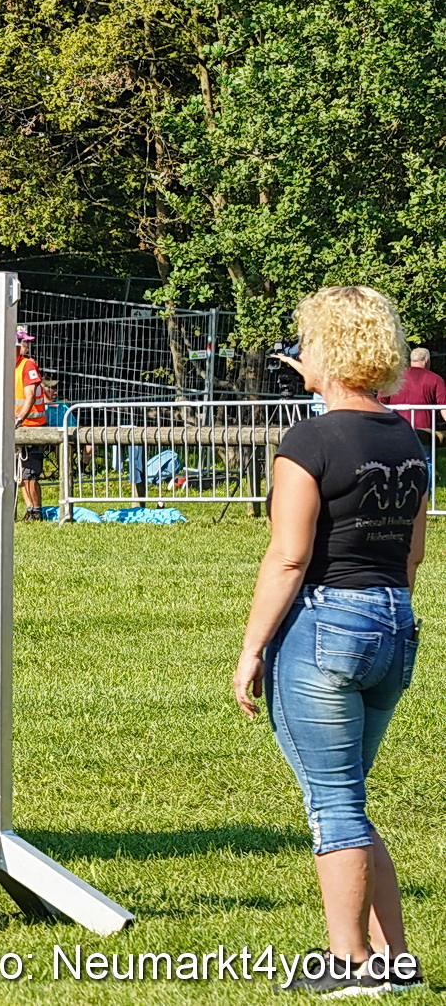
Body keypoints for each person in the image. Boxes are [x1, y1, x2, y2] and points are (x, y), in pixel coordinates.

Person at [234, 286, 425, 996]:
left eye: (308, 341)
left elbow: (288, 556)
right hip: (393, 622)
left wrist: (252, 648)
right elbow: (413, 556)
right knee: (349, 796)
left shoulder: (308, 441)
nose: (300, 354)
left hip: (324, 628)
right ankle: (395, 959)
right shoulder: (407, 437)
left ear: (333, 351)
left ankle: (347, 964)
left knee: (334, 806)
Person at [11, 327, 47, 521]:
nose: (27, 345)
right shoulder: (9, 365)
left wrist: (18, 419)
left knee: (29, 473)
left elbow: (30, 396)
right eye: (24, 341)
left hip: (32, 426)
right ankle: (29, 510)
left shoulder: (28, 365)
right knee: (20, 473)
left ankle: (36, 512)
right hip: (17, 427)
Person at [387, 347, 446, 438]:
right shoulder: (436, 379)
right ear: (427, 361)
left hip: (397, 427)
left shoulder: (395, 378)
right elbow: (443, 407)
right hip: (424, 431)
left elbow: (381, 402)